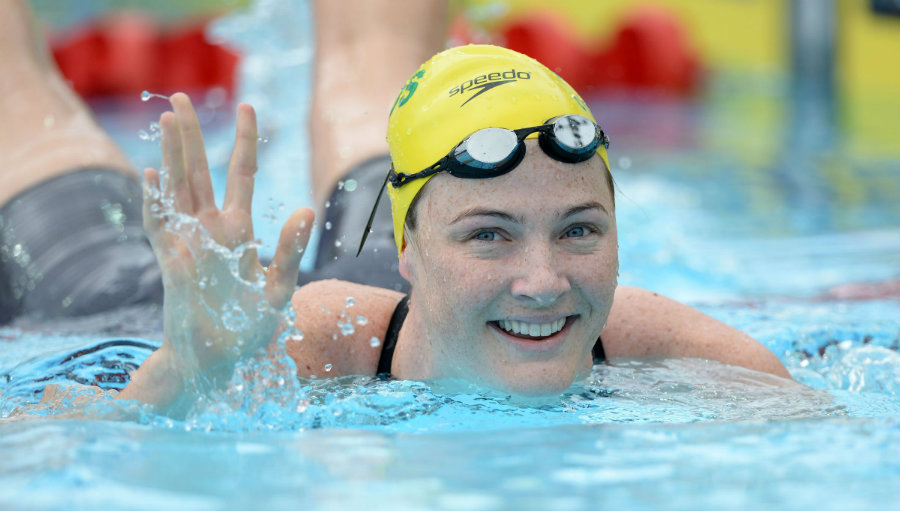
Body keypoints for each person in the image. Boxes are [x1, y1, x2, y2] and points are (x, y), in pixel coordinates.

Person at [1, 0, 791, 412]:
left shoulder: (662, 345)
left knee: (367, 76)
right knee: (25, 123)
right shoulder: (311, 341)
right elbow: (53, 446)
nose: (545, 281)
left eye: (580, 228)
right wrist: (191, 370)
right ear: (408, 245)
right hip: (134, 319)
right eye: (492, 234)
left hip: (428, 295)